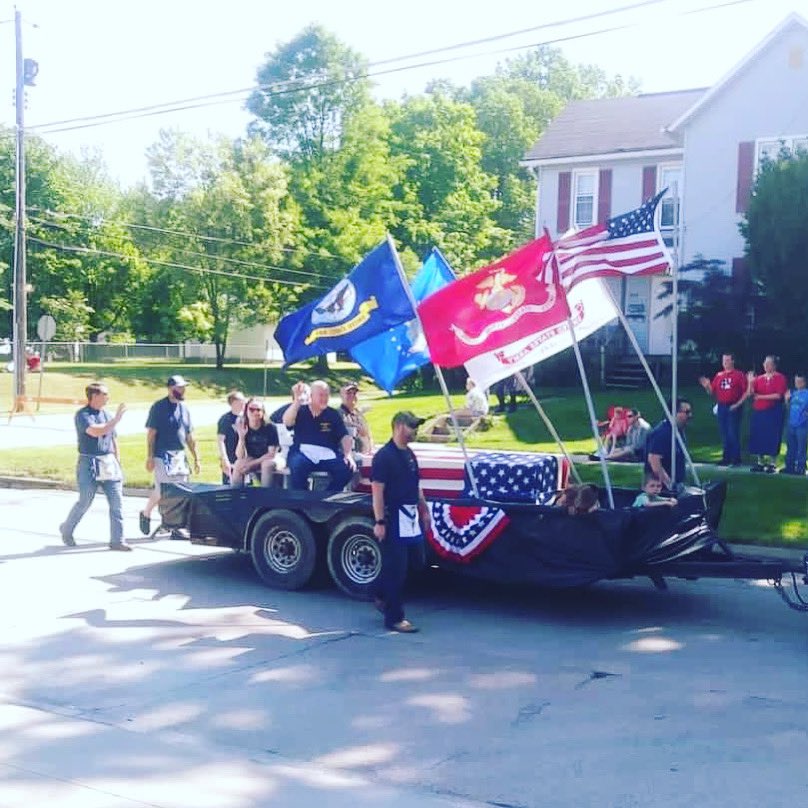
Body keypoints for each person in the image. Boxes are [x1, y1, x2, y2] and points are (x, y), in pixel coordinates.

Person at [371, 411, 431, 633]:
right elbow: (377, 491)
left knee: (417, 560)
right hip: (393, 515)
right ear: (398, 427)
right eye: (411, 426)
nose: (415, 430)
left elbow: (416, 485)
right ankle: (394, 617)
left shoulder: (409, 454)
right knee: (397, 568)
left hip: (411, 515)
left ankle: (378, 591)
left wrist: (423, 509)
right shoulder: (385, 456)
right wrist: (379, 521)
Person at [59, 382, 131, 551]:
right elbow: (95, 431)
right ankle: (67, 529)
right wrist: (116, 420)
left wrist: (117, 461)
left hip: (108, 462)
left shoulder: (107, 414)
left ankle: (117, 540)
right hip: (88, 463)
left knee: (117, 503)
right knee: (85, 501)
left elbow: (113, 439)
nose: (108, 397)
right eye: (104, 394)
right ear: (94, 396)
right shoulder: (83, 415)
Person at [139, 375, 201, 536]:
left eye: (183, 387)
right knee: (164, 490)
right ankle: (147, 514)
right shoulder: (158, 407)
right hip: (162, 454)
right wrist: (150, 456)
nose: (182, 390)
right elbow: (151, 434)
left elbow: (189, 435)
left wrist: (196, 457)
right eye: (179, 387)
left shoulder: (184, 409)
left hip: (179, 455)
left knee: (182, 490)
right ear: (170, 389)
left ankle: (176, 525)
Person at [283, 380, 355, 493]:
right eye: (321, 395)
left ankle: (326, 497)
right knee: (297, 464)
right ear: (311, 396)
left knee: (347, 468)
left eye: (327, 395)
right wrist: (297, 401)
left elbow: (344, 436)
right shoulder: (300, 410)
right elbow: (287, 422)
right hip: (303, 452)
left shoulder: (333, 414)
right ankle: (302, 500)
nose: (324, 398)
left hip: (327, 454)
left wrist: (348, 454)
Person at [698, 352, 748, 466]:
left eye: (727, 360)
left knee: (732, 432)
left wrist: (738, 404)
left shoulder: (739, 375)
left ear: (732, 361)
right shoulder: (719, 375)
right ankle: (726, 457)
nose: (725, 363)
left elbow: (746, 392)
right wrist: (707, 386)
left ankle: (736, 458)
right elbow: (712, 391)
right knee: (724, 433)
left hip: (734, 406)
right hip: (722, 406)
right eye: (723, 360)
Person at [747, 355, 788, 473]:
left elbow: (778, 395)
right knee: (758, 435)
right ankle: (760, 462)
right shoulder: (759, 378)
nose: (766, 365)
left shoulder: (780, 378)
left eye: (769, 363)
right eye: (765, 363)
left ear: (774, 365)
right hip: (759, 411)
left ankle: (772, 463)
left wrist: (761, 397)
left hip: (773, 411)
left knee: (772, 435)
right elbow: (751, 394)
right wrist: (750, 382)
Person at [645, 399, 693, 492]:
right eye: (686, 412)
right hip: (662, 491)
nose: (690, 415)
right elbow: (654, 460)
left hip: (677, 485)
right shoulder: (662, 433)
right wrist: (669, 485)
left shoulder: (679, 431)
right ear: (674, 413)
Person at [230, 397, 280, 487]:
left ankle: (265, 496)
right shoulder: (242, 426)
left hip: (271, 458)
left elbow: (271, 454)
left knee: (266, 465)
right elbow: (240, 456)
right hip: (252, 457)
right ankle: (236, 495)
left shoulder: (270, 427)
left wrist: (251, 464)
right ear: (246, 411)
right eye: (251, 409)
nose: (255, 412)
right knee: (238, 464)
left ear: (263, 412)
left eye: (258, 410)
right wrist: (241, 437)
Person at [216, 390, 246, 484]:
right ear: (233, 403)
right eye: (241, 400)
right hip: (231, 458)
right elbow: (220, 440)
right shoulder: (225, 419)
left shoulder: (246, 418)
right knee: (230, 486)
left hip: (244, 459)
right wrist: (224, 459)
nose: (243, 403)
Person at [783, 372, 808, 475]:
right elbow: (789, 408)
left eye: (800, 381)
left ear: (804, 382)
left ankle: (801, 468)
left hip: (802, 425)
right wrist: (786, 400)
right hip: (791, 424)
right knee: (790, 447)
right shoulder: (793, 393)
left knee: (801, 448)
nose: (797, 383)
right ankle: (789, 466)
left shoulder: (806, 394)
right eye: (796, 381)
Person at [339, 382, 373, 455]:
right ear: (341, 395)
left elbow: (367, 433)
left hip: (365, 456)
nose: (352, 396)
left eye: (354, 393)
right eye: (348, 393)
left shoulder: (357, 413)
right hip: (350, 458)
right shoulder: (338, 415)